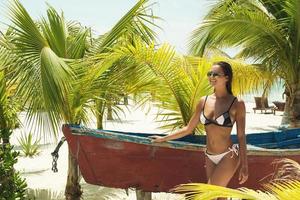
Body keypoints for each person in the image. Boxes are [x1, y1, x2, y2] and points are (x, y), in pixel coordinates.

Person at [149, 61, 248, 189]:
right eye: (209, 73)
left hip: (228, 156)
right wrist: (163, 139)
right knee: (219, 196)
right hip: (209, 156)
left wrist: (245, 165)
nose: (211, 77)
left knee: (207, 194)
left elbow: (241, 136)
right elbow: (188, 129)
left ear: (227, 78)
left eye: (216, 74)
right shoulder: (203, 101)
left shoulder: (237, 103)